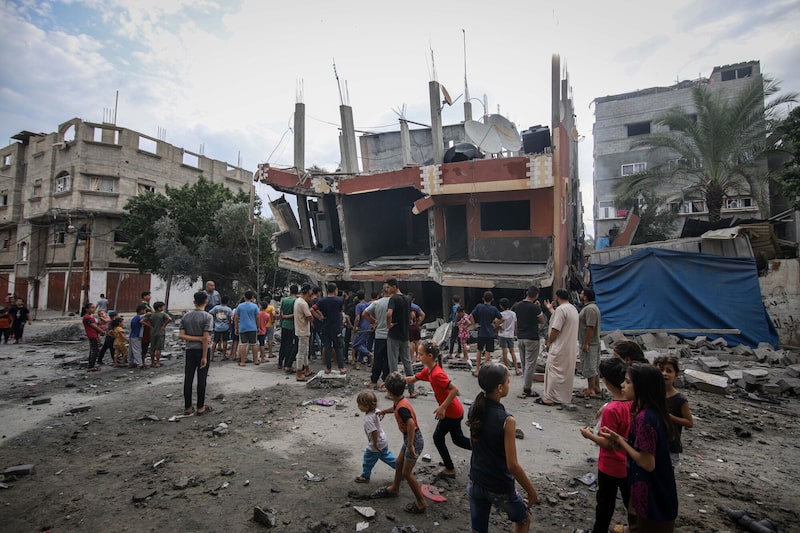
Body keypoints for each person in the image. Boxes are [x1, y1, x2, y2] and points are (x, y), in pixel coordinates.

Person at [599, 364, 679, 532]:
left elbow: (647, 462)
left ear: (642, 387)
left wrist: (620, 441)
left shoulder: (644, 418)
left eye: (628, 382)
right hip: (656, 488)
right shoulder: (651, 412)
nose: (622, 385)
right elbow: (644, 448)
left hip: (652, 491)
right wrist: (620, 439)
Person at [467, 363, 539, 533]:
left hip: (475, 480)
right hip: (499, 486)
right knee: (523, 519)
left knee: (478, 529)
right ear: (500, 388)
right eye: (508, 381)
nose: (509, 384)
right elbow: (512, 465)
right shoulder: (507, 420)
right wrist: (532, 492)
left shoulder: (475, 408)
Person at [578, 358, 631, 533]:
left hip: (610, 465)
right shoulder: (634, 403)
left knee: (605, 503)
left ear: (606, 382)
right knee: (631, 502)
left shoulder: (612, 410)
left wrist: (589, 435)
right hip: (630, 463)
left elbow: (608, 444)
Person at [406, 340, 471, 480]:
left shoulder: (437, 374)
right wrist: (393, 381)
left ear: (429, 356)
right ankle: (483, 449)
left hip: (451, 412)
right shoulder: (429, 370)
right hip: (453, 411)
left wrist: (442, 407)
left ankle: (450, 468)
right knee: (458, 440)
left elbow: (455, 390)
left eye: (420, 354)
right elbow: (412, 379)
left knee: (438, 437)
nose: (418, 357)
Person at [368, 371, 427, 515]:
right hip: (410, 438)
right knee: (399, 463)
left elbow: (411, 423)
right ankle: (395, 488)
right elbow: (395, 409)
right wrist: (383, 411)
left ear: (389, 391)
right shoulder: (400, 401)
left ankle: (421, 503)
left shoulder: (402, 407)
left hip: (414, 440)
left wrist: (411, 445)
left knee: (407, 473)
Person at [540, 289, 579, 405]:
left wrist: (549, 341)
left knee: (554, 371)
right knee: (565, 373)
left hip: (560, 345)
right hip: (569, 346)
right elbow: (559, 318)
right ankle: (563, 397)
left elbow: (556, 328)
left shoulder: (561, 310)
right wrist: (550, 309)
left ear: (557, 297)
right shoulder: (572, 309)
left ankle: (552, 397)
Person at [654, 356, 694, 468]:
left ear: (676, 375)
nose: (664, 374)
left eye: (669, 371)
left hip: (669, 446)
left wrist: (670, 417)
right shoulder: (652, 395)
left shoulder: (679, 400)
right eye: (661, 370)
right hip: (651, 443)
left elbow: (689, 423)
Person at [179, 291, 214, 416]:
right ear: (206, 301)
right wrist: (204, 356)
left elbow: (181, 335)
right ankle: (200, 407)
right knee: (201, 378)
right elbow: (205, 338)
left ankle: (188, 407)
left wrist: (195, 338)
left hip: (189, 350)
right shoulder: (207, 317)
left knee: (188, 378)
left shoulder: (186, 316)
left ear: (194, 302)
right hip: (202, 350)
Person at [354, 389, 397, 483]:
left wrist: (375, 444)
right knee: (386, 456)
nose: (358, 407)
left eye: (359, 405)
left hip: (377, 443)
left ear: (366, 406)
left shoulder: (368, 419)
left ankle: (365, 476)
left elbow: (374, 431)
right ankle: (401, 468)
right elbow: (381, 416)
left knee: (368, 459)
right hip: (383, 440)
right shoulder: (376, 411)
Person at [513, 286, 546, 399]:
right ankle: (527, 388)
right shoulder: (535, 307)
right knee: (530, 363)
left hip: (520, 337)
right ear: (536, 295)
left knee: (524, 363)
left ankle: (526, 384)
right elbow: (542, 320)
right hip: (532, 337)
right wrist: (538, 308)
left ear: (527, 293)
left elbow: (516, 320)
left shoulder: (517, 305)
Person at [385, 278, 416, 397]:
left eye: (388, 287)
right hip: (405, 335)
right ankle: (412, 391)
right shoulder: (407, 299)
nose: (387, 289)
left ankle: (393, 392)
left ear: (394, 286)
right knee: (407, 362)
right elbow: (412, 314)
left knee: (393, 364)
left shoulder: (393, 299)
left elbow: (389, 314)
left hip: (394, 335)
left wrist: (389, 325)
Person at [312, 282, 346, 374]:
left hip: (325, 327)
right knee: (338, 347)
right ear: (335, 290)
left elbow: (312, 309)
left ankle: (328, 368)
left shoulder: (322, 301)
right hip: (336, 327)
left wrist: (320, 317)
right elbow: (340, 313)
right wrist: (341, 322)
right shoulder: (339, 300)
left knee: (327, 347)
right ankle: (341, 367)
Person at [469, 291, 503, 377]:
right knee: (488, 352)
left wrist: (474, 325)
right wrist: (495, 325)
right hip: (490, 333)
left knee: (479, 350)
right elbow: (502, 318)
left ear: (483, 299)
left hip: (481, 332)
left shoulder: (479, 306)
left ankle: (477, 370)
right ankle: (485, 370)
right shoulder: (494, 309)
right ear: (492, 299)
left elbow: (471, 316)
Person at [364, 284, 391, 390]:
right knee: (388, 359)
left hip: (379, 334)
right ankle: (386, 382)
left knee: (378, 358)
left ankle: (374, 381)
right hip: (390, 335)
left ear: (382, 293)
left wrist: (374, 321)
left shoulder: (377, 303)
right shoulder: (394, 302)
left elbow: (364, 314)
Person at [578, 288, 602, 399]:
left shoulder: (590, 309)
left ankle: (590, 390)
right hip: (592, 341)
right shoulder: (591, 307)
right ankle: (596, 387)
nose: (580, 295)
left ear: (586, 296)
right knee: (594, 365)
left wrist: (586, 343)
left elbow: (590, 327)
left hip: (590, 342)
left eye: (582, 293)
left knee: (589, 365)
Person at [293, 284, 314, 381]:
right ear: (308, 292)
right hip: (303, 330)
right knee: (301, 353)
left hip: (299, 329)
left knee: (305, 351)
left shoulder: (298, 301)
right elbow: (310, 317)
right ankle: (299, 373)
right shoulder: (303, 304)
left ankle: (306, 369)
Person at [235, 290, 260, 366]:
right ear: (252, 297)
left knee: (243, 344)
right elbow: (257, 317)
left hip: (243, 327)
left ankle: (242, 361)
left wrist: (236, 328)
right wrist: (258, 327)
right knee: (254, 344)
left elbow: (236, 317)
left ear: (244, 297)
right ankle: (255, 360)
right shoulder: (255, 306)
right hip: (252, 327)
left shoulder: (240, 306)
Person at [142, 301, 171, 368]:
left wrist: (150, 326)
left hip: (152, 332)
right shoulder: (163, 314)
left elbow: (142, 321)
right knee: (158, 348)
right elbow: (169, 319)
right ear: (159, 308)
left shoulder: (151, 315)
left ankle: (152, 362)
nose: (163, 308)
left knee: (152, 348)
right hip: (160, 332)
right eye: (162, 307)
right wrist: (164, 325)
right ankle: (157, 362)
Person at [277, 285, 298, 371]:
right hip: (291, 325)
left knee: (283, 344)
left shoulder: (284, 300)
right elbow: (296, 313)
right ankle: (287, 363)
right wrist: (288, 316)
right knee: (289, 345)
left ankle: (280, 362)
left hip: (284, 325)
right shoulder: (296, 301)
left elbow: (281, 313)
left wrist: (282, 320)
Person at [352, 290, 374, 369]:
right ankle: (358, 363)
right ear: (364, 296)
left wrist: (354, 327)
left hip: (362, 328)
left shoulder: (359, 306)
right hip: (368, 326)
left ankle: (370, 354)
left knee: (356, 345)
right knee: (363, 344)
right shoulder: (368, 305)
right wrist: (373, 323)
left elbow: (357, 318)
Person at [498, 298, 520, 375]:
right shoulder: (513, 314)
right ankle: (517, 369)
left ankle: (507, 370)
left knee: (504, 352)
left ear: (501, 306)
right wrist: (515, 332)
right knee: (512, 352)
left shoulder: (501, 314)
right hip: (510, 335)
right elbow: (516, 324)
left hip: (502, 334)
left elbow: (498, 324)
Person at [208, 296, 233, 362]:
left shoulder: (216, 307)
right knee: (225, 341)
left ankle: (211, 356)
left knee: (215, 341)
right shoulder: (228, 309)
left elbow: (210, 313)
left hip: (217, 327)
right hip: (225, 327)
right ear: (227, 302)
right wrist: (230, 326)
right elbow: (230, 318)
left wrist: (214, 319)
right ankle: (223, 356)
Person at [82, 303, 104, 372]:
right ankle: (91, 366)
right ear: (87, 309)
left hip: (94, 335)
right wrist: (102, 331)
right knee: (95, 351)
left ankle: (92, 365)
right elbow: (94, 326)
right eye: (92, 307)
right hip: (92, 335)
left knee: (94, 350)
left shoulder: (90, 317)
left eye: (94, 307)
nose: (94, 309)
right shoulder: (87, 318)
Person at [408, 293, 425, 362]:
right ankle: (418, 357)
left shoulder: (404, 307)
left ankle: (412, 358)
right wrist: (419, 323)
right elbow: (422, 315)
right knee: (417, 342)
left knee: (411, 343)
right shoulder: (415, 307)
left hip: (409, 327)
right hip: (415, 326)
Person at [128, 304, 147, 369]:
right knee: (137, 350)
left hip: (132, 335)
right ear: (141, 310)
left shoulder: (134, 318)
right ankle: (139, 363)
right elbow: (147, 315)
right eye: (144, 310)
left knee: (131, 350)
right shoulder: (140, 317)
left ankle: (130, 362)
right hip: (137, 335)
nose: (145, 311)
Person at [139, 291, 153, 361]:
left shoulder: (147, 305)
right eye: (148, 295)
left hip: (148, 325)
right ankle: (142, 360)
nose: (150, 297)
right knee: (144, 342)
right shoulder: (143, 305)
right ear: (144, 297)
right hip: (146, 325)